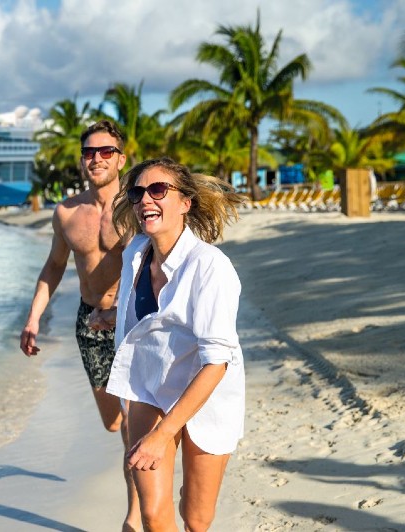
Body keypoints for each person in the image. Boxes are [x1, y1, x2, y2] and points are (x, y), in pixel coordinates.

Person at [105, 157, 246, 531]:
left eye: (158, 190)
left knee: (196, 519)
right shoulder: (135, 253)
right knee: (152, 513)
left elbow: (217, 362)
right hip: (150, 387)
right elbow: (142, 317)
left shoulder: (210, 267)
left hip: (206, 394)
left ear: (185, 202)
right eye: (137, 193)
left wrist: (163, 434)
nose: (145, 200)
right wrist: (109, 317)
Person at [20, 119, 141, 531]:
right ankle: (143, 433)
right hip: (90, 325)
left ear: (121, 158)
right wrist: (34, 317)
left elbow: (162, 268)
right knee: (114, 423)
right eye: (90, 152)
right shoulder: (67, 213)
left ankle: (134, 515)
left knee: (131, 431)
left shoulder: (140, 207)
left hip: (134, 322)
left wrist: (125, 311)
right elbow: (54, 266)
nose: (97, 159)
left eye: (106, 151)